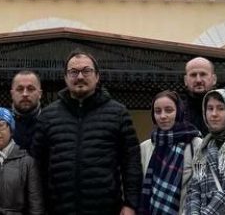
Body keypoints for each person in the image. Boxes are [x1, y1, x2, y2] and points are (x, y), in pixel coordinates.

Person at [31, 50, 142, 215]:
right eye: (73, 72)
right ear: (65, 78)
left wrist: (131, 204)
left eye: (86, 71)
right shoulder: (47, 116)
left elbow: (131, 163)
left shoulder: (118, 113)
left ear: (97, 76)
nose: (80, 76)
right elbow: (36, 167)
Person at [138, 90, 202, 215]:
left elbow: (202, 188)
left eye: (169, 110)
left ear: (178, 111)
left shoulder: (196, 144)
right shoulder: (145, 147)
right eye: (157, 111)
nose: (163, 116)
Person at [182, 57, 218, 135]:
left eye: (203, 74)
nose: (198, 80)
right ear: (185, 80)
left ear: (214, 79)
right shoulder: (177, 112)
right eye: (193, 75)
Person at [10, 70, 43, 151]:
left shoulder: (50, 123)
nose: (25, 94)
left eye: (30, 89)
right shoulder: (1, 125)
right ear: (12, 94)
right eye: (20, 89)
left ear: (40, 94)